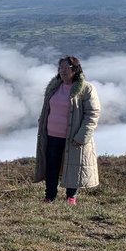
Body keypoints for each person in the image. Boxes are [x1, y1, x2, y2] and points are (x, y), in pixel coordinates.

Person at [34, 55, 101, 204]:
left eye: (67, 68)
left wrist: (83, 136)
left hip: (73, 136)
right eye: (60, 68)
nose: (63, 71)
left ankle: (71, 196)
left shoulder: (86, 89)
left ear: (75, 69)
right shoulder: (54, 86)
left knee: (73, 165)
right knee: (51, 167)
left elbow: (93, 113)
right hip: (51, 135)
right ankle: (49, 196)